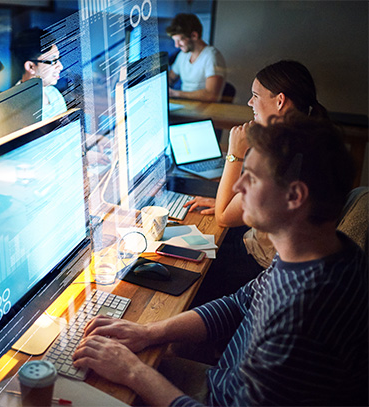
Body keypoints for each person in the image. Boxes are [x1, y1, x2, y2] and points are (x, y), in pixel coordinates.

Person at [73, 116, 368, 406]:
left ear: (294, 196)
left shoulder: (300, 319)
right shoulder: (323, 252)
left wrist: (134, 372)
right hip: (224, 383)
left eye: (251, 177)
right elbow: (240, 303)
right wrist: (148, 332)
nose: (238, 187)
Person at [184, 60, 330, 304]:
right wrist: (230, 202)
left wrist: (235, 151)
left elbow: (223, 217)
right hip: (276, 253)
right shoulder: (310, 138)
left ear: (280, 101)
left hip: (259, 265)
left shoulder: (279, 153)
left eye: (254, 95)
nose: (250, 103)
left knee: (186, 265)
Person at [166, 13, 226, 102]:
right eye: (175, 41)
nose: (176, 45)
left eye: (180, 40)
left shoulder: (212, 56)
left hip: (203, 111)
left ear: (194, 36)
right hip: (186, 106)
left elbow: (211, 95)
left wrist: (175, 93)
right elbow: (171, 78)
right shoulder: (183, 55)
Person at [11, 27, 66, 120]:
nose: (61, 67)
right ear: (30, 67)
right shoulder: (16, 107)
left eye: (58, 59)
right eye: (53, 61)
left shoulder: (53, 93)